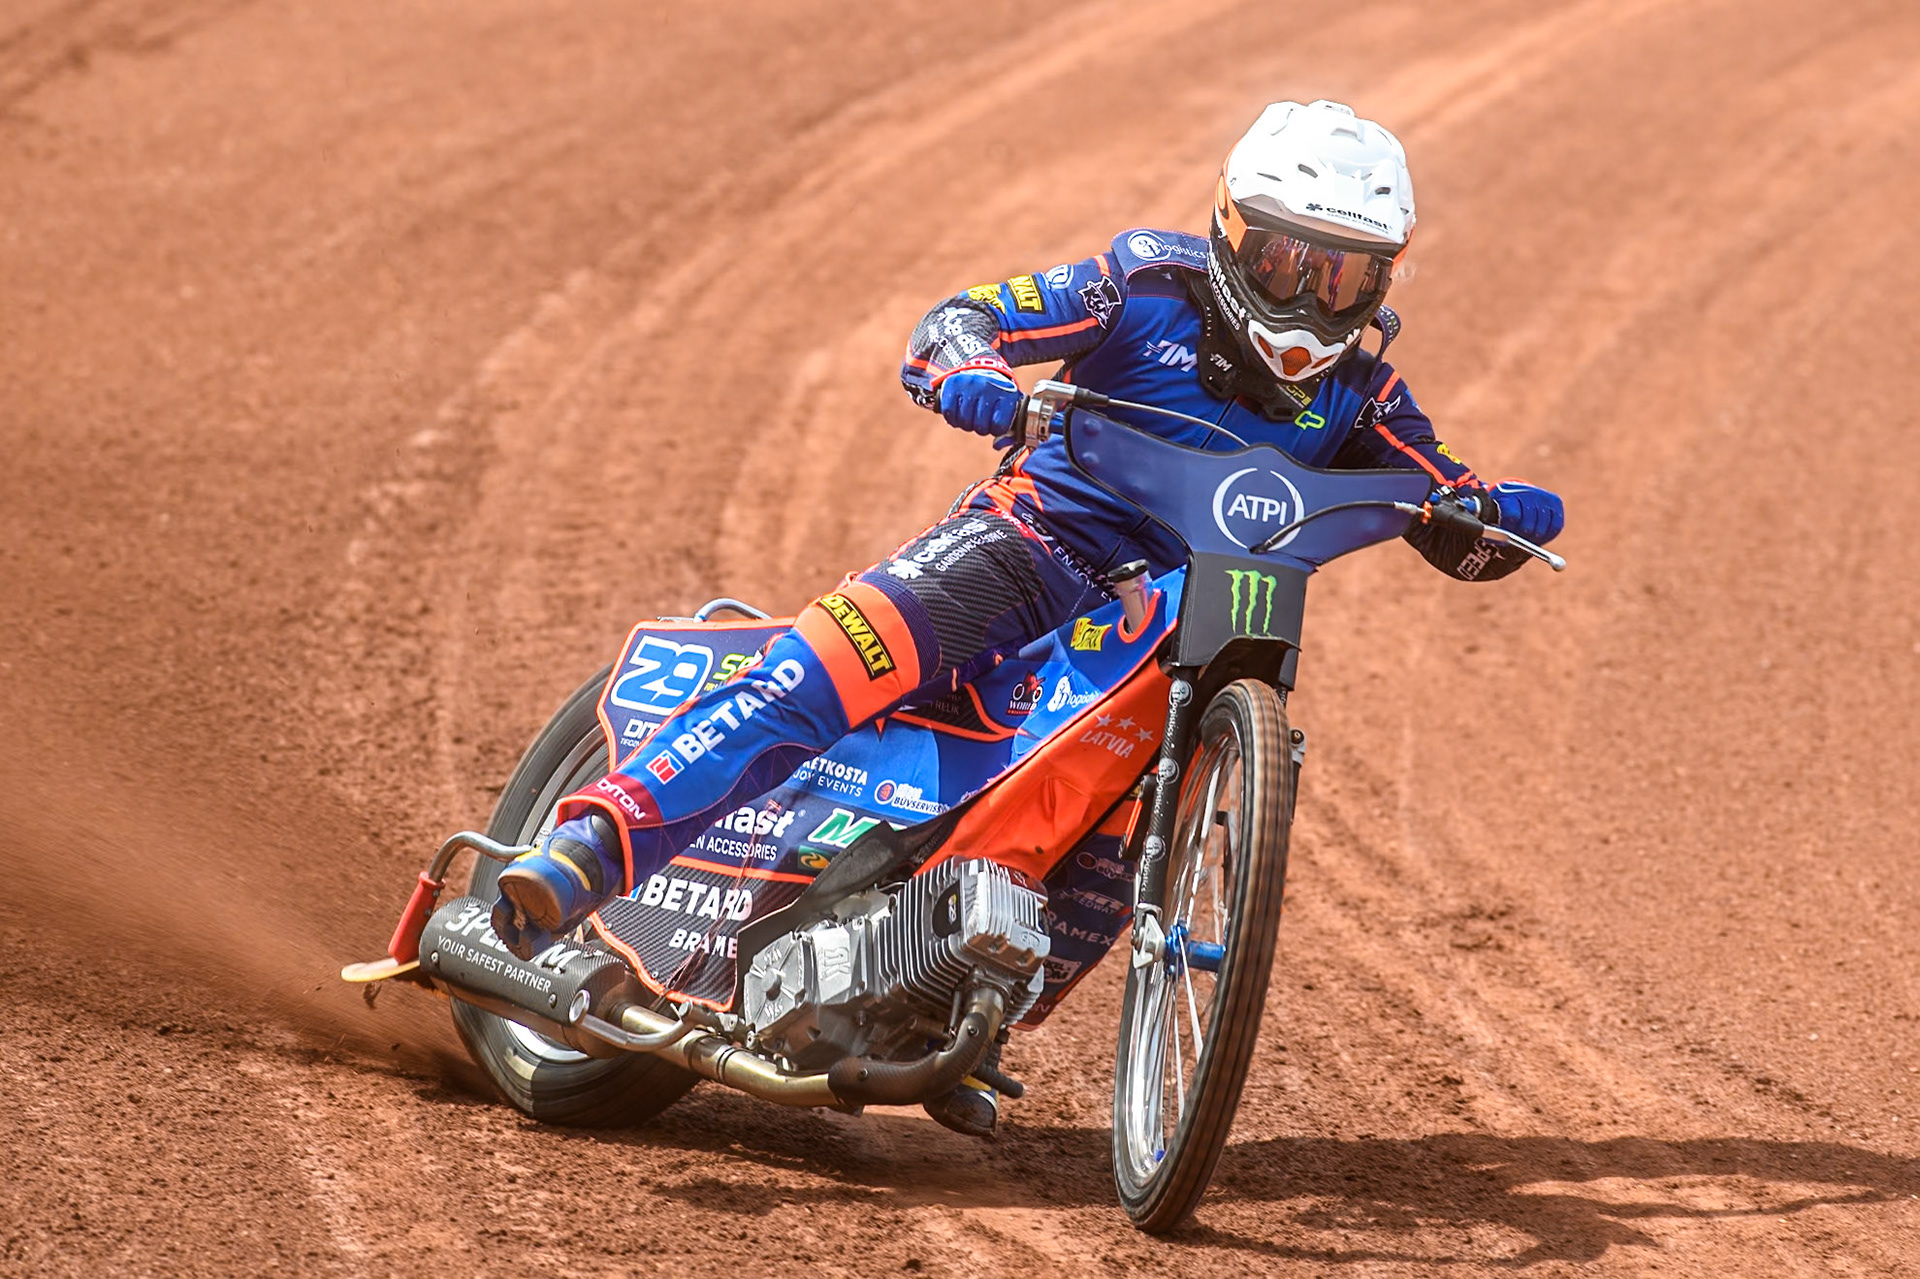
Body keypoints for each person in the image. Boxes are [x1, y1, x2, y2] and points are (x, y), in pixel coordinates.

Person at [488, 99, 1565, 1134]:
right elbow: (959, 321)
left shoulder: (1365, 394)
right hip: (1026, 551)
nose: (1314, 301)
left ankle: (950, 996)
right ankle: (593, 846)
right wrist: (973, 372)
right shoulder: (1140, 285)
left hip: (1173, 622)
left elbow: (1452, 500)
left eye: (1348, 275)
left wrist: (1494, 512)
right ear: (1233, 237)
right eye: (1291, 262)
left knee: (1139, 801)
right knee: (830, 664)